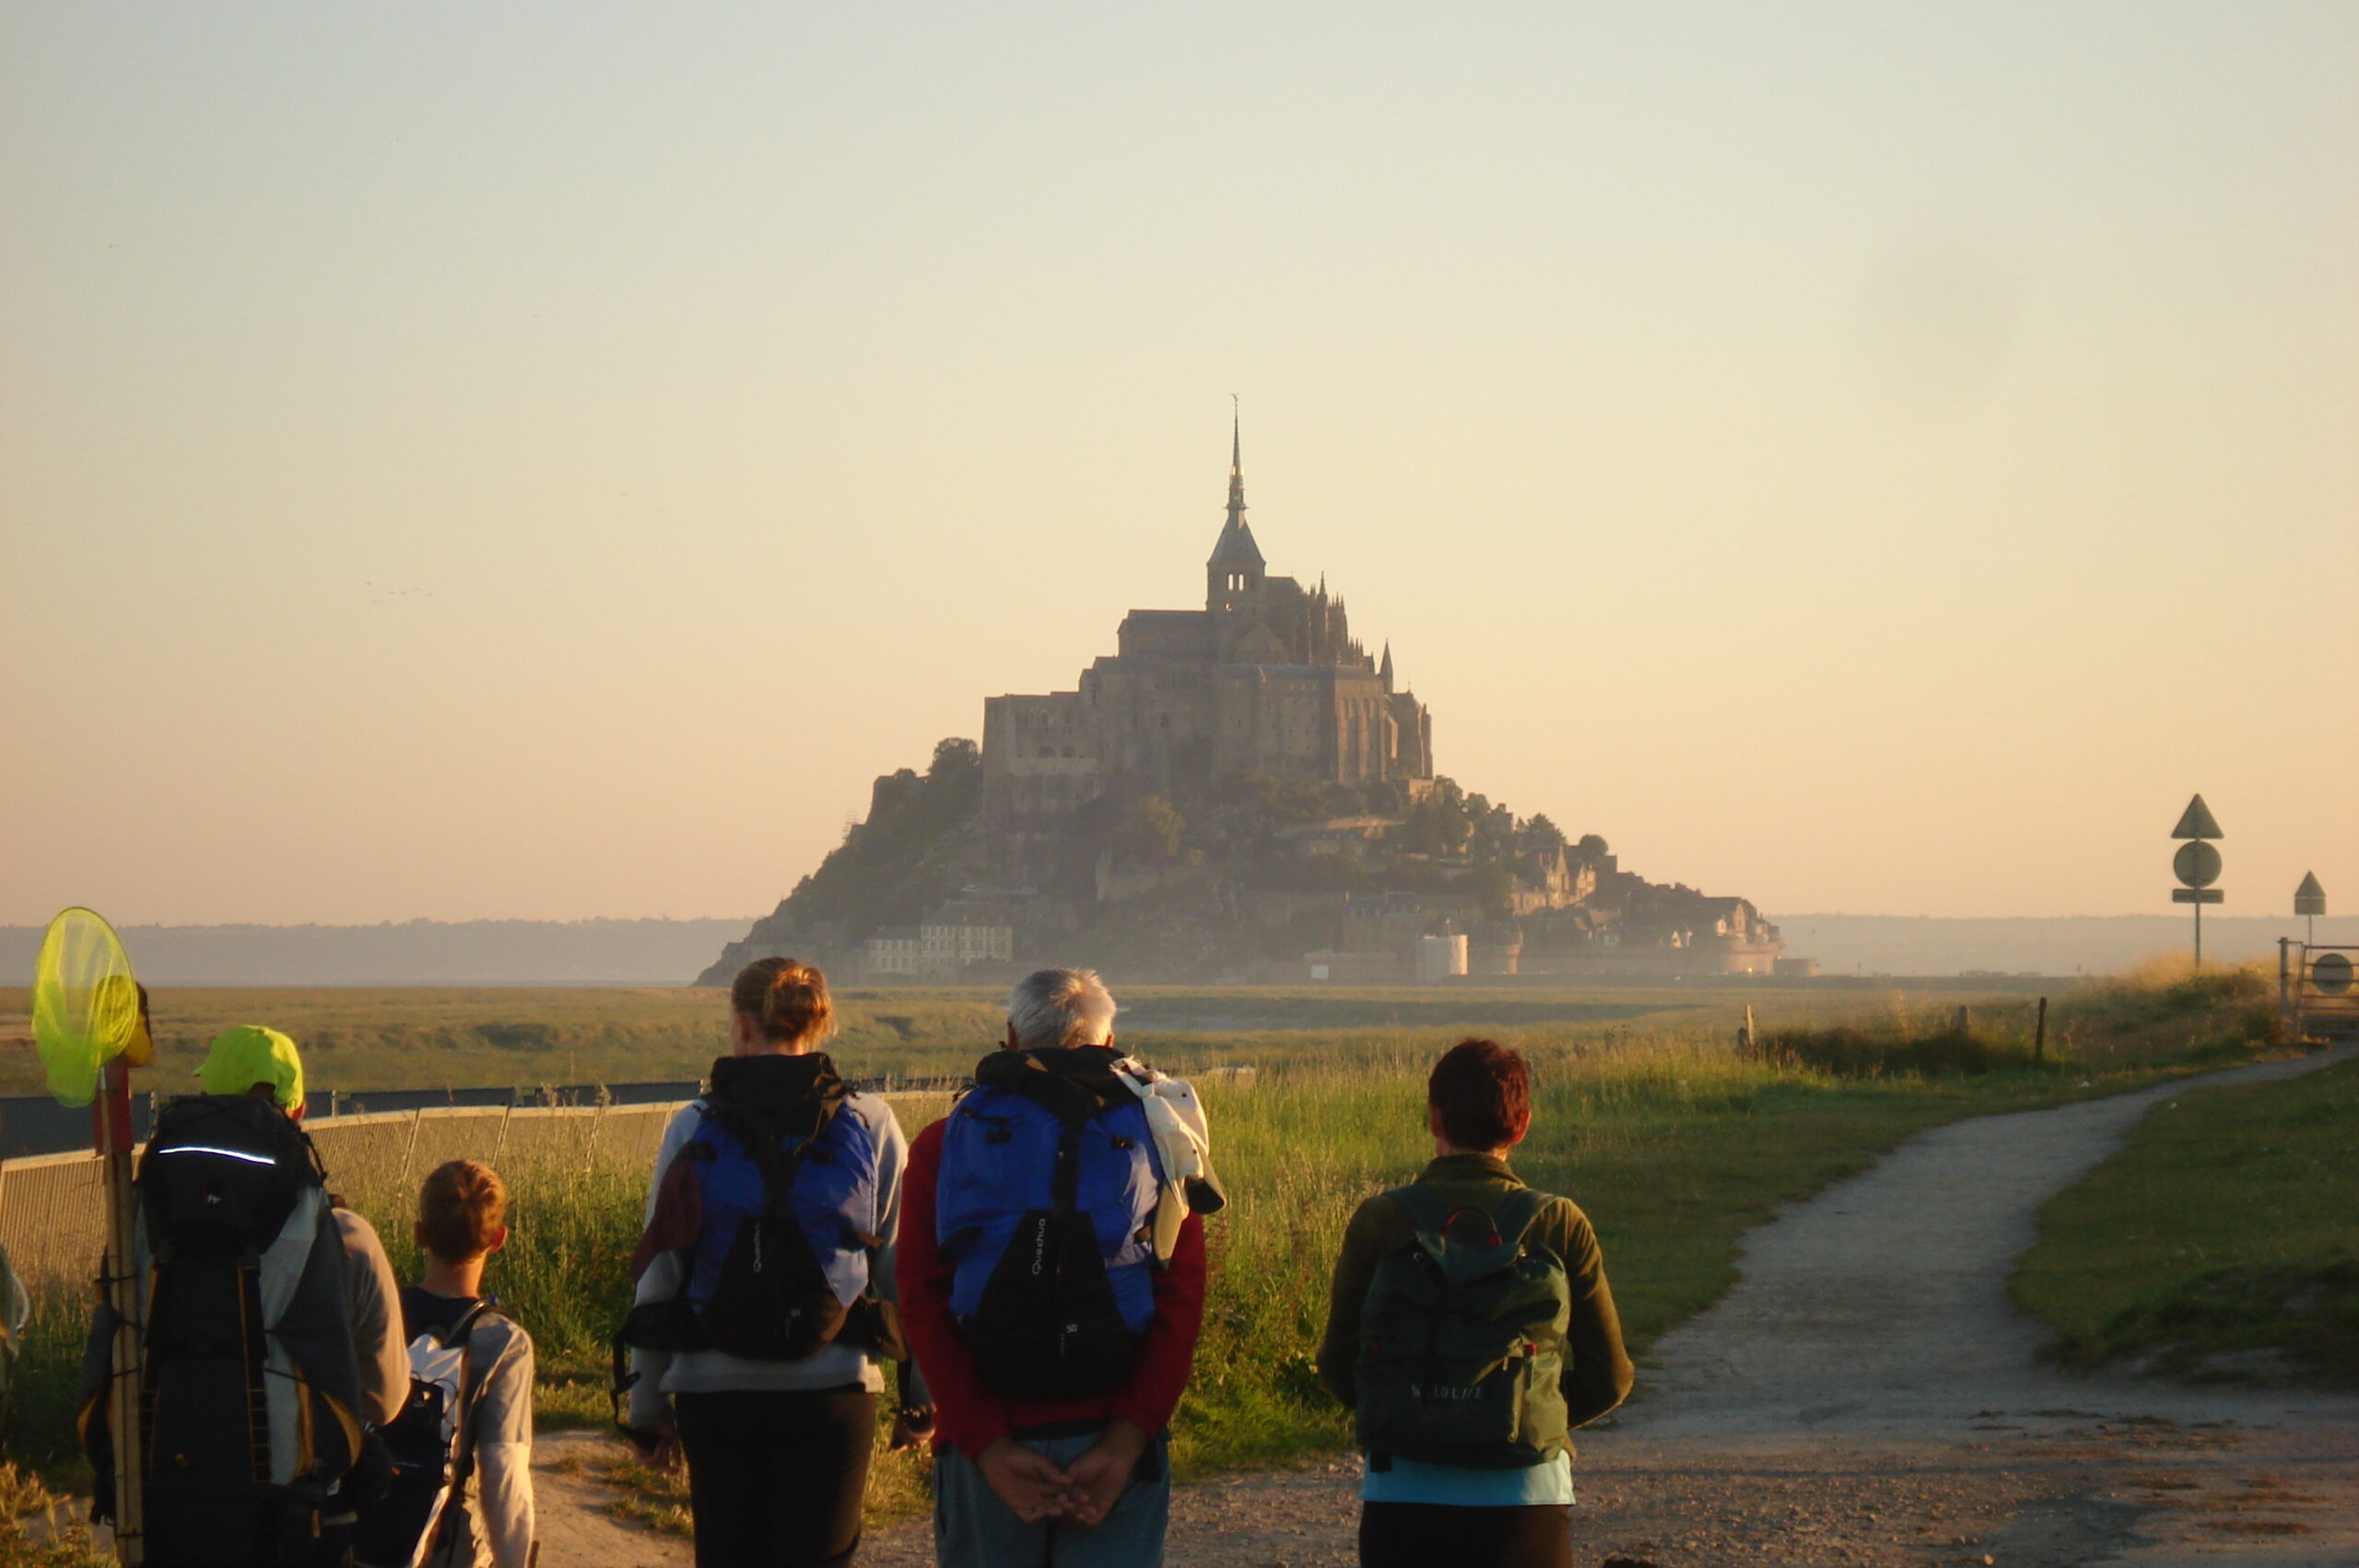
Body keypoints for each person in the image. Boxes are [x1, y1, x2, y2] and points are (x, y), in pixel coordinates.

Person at [898, 969, 1210, 1568]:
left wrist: (985, 1443)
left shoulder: (944, 1142)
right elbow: (1181, 1296)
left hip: (991, 1442)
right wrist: (1128, 1438)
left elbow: (921, 1298)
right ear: (1109, 1037)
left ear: (1011, 1037)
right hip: (1112, 1437)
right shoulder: (1163, 1136)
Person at [625, 958, 929, 1568]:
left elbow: (663, 1270)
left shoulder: (695, 1123)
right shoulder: (870, 1121)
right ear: (818, 1025)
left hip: (714, 1389)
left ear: (741, 1026)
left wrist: (647, 1408)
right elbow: (900, 1268)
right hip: (834, 1386)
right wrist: (919, 1399)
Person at [77, 1024, 408, 1566]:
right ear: (296, 1110)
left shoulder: (147, 1205)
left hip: (156, 1478)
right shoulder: (345, 1237)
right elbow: (384, 1398)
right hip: (283, 1501)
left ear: (206, 1097)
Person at [1316, 1039, 1634, 1568]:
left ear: (1434, 1117)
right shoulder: (1559, 1222)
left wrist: (1417, 1412)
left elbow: (1337, 1366)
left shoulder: (1381, 1219)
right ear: (1523, 1123)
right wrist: (1526, 1416)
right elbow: (1611, 1376)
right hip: (1527, 1495)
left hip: (1404, 1490)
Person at [393, 1160, 537, 1568]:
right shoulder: (503, 1343)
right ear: (499, 1239)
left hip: (359, 1534)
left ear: (420, 1233)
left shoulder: (378, 1315)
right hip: (442, 1545)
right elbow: (502, 1473)